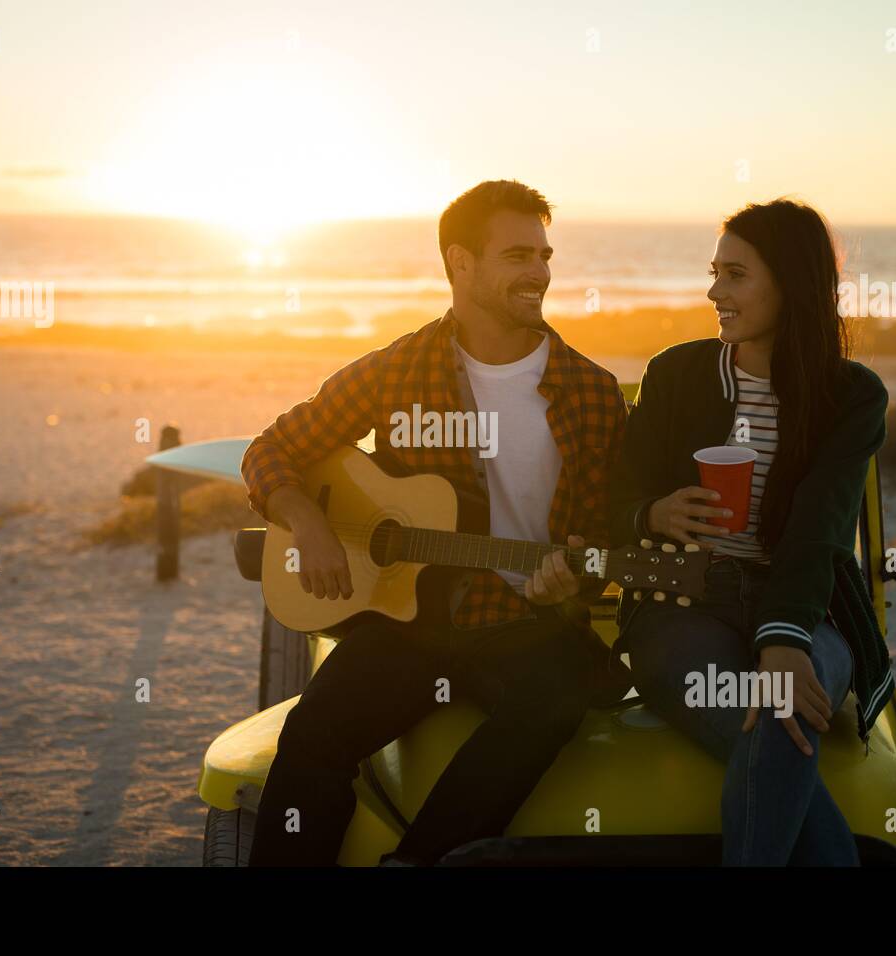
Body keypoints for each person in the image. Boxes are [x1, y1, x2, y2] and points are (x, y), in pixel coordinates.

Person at [242, 180, 629, 865]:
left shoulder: (591, 392)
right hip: (410, 625)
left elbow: (602, 538)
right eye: (517, 255)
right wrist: (306, 520)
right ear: (460, 263)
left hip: (528, 628)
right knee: (310, 738)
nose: (539, 271)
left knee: (558, 697)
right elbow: (272, 450)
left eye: (544, 254)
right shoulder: (399, 371)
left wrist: (573, 581)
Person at [609, 198, 894, 865]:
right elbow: (615, 496)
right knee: (778, 726)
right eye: (715, 272)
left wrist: (784, 639)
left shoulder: (851, 397)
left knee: (782, 709)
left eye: (735, 275)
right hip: (682, 604)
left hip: (808, 608)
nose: (714, 291)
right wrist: (653, 515)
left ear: (790, 283)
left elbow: (820, 528)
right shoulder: (675, 374)